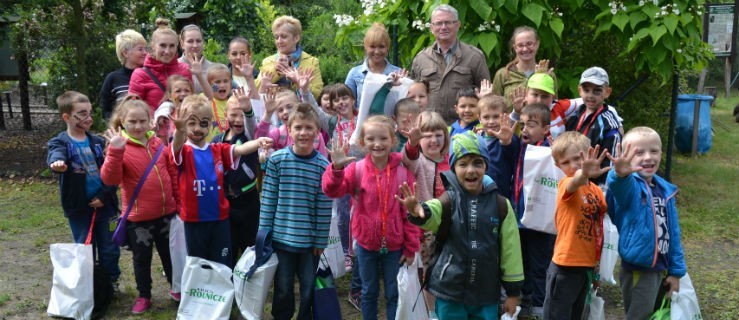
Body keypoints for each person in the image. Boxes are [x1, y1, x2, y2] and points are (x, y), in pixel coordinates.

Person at [396, 130, 523, 320]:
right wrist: (417, 211)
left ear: (486, 167)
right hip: (449, 289)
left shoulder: (501, 206)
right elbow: (432, 212)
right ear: (454, 168)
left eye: (477, 163)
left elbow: (511, 252)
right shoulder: (448, 201)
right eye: (463, 164)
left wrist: (513, 293)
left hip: (486, 293)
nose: (471, 170)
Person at [322, 115, 420, 320]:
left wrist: (411, 248)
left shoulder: (402, 174)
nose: (377, 144)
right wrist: (336, 169)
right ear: (362, 143)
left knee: (394, 293)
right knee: (369, 292)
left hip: (395, 246)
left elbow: (409, 215)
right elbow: (332, 191)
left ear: (393, 141)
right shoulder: (355, 169)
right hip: (366, 244)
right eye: (371, 139)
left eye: (383, 138)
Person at [170, 95, 272, 266]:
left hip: (220, 218)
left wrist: (257, 142)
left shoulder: (217, 149)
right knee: (199, 263)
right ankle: (201, 292)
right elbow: (176, 147)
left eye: (203, 124)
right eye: (191, 123)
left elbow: (239, 149)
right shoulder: (184, 152)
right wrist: (179, 130)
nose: (197, 129)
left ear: (210, 124)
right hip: (194, 220)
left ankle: (224, 292)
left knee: (222, 261)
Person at [100, 95, 180, 313]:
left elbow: (171, 174)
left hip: (166, 214)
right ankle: (144, 295)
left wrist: (177, 202)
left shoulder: (158, 143)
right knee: (142, 260)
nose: (138, 126)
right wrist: (115, 151)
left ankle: (177, 287)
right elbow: (110, 179)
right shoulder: (119, 146)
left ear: (150, 121)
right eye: (132, 122)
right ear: (122, 122)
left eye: (142, 121)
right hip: (139, 220)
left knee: (170, 256)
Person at [258, 103, 333, 320]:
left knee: (309, 286)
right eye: (298, 127)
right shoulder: (277, 160)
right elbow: (269, 199)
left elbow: (324, 207)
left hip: (310, 243)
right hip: (282, 239)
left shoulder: (322, 166)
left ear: (318, 132)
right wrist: (264, 233)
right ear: (289, 130)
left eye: (309, 128)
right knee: (282, 285)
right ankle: (282, 316)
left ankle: (304, 316)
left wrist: (320, 240)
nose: (303, 133)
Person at [607, 127, 686, 320]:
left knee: (655, 314)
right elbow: (618, 186)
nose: (648, 157)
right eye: (639, 152)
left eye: (654, 151)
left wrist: (676, 271)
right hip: (639, 269)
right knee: (639, 316)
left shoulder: (665, 190)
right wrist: (620, 175)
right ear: (627, 157)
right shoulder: (630, 187)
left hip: (661, 267)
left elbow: (673, 233)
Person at [47, 91, 121, 291]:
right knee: (85, 248)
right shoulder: (60, 143)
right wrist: (57, 162)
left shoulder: (98, 142)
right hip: (79, 209)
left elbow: (113, 172)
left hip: (106, 206)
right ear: (67, 117)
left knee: (110, 247)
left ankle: (110, 282)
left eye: (89, 112)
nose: (88, 118)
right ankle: (88, 286)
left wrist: (104, 196)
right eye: (82, 113)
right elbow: (55, 153)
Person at [544, 132, 610, 319]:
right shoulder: (566, 184)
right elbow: (576, 180)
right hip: (565, 266)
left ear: (588, 155)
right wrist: (584, 172)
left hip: (586, 267)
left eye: (578, 159)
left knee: (576, 315)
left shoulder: (596, 191)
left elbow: (599, 227)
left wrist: (596, 267)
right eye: (565, 162)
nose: (572, 166)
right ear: (558, 166)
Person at [498, 103, 554, 318]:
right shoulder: (520, 147)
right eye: (522, 125)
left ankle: (540, 305)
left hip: (540, 219)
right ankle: (523, 297)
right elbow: (507, 144)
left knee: (540, 262)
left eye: (531, 125)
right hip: (518, 215)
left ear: (546, 129)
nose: (525, 130)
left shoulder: (550, 151)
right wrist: (507, 133)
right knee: (519, 260)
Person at [400, 110, 450, 319]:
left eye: (438, 134)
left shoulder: (451, 161)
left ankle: (445, 306)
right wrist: (412, 144)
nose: (433, 140)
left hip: (449, 226)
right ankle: (430, 313)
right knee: (428, 271)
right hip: (425, 228)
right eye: (426, 135)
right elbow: (408, 157)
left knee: (446, 270)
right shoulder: (418, 161)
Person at [411, 4, 490, 122]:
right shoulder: (421, 59)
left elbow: (486, 96)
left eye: (448, 22)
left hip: (464, 127)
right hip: (430, 128)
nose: (443, 27)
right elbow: (413, 96)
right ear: (431, 28)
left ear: (458, 25)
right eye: (438, 23)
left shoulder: (474, 56)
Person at [212, 96, 260, 266]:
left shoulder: (250, 136)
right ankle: (228, 280)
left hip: (248, 199)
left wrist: (248, 110)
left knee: (249, 244)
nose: (238, 120)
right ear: (226, 115)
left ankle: (250, 277)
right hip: (225, 202)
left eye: (242, 115)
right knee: (228, 244)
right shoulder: (216, 141)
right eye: (234, 115)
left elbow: (252, 123)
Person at [128, 18, 210, 112]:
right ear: (153, 45)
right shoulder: (140, 74)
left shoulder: (185, 69)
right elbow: (131, 109)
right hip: (153, 126)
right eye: (163, 45)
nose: (167, 51)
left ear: (177, 46)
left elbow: (192, 103)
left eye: (172, 46)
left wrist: (199, 75)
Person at [565, 67, 622, 187]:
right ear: (580, 90)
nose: (591, 95)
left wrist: (603, 192)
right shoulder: (575, 114)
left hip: (593, 188)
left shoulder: (609, 124)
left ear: (607, 92)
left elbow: (611, 164)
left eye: (597, 91)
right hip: (571, 182)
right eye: (586, 90)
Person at [256, 16, 323, 98]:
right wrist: (276, 70)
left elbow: (318, 95)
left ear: (296, 38)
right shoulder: (268, 61)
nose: (279, 41)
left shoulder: (312, 61)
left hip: (300, 109)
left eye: (284, 36)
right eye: (276, 37)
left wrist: (297, 81)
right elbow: (256, 90)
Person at [492, 27, 552, 110]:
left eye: (529, 44)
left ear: (537, 44)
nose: (525, 49)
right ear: (515, 48)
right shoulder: (503, 74)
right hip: (510, 122)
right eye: (520, 45)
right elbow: (494, 107)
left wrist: (541, 79)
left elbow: (554, 106)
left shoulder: (547, 74)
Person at [256, 88, 329, 157]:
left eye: (289, 107)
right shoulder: (279, 133)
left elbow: (324, 163)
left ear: (299, 105)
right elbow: (260, 140)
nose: (285, 112)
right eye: (280, 110)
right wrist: (268, 113)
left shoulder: (316, 136)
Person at [345, 23, 402, 108]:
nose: (377, 51)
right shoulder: (354, 74)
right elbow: (348, 106)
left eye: (381, 46)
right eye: (372, 47)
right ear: (365, 47)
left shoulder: (398, 73)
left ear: (388, 47)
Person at [100, 29, 147, 120]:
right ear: (125, 53)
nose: (145, 53)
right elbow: (106, 112)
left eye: (146, 49)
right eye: (140, 49)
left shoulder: (150, 75)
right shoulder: (112, 78)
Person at [477, 94, 514, 199]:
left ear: (505, 116)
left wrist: (506, 140)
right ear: (479, 118)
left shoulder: (510, 138)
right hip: (478, 194)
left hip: (500, 195)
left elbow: (511, 148)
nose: (491, 121)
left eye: (496, 116)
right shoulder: (476, 139)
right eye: (486, 117)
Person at [153, 75, 195, 144]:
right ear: (169, 95)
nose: (183, 94)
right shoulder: (166, 119)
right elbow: (162, 146)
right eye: (178, 91)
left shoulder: (198, 115)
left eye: (187, 90)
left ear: (192, 94)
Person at [178, 24, 212, 94]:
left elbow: (218, 95)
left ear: (203, 43)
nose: (195, 45)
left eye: (198, 41)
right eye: (190, 41)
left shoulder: (214, 68)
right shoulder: (174, 67)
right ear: (182, 44)